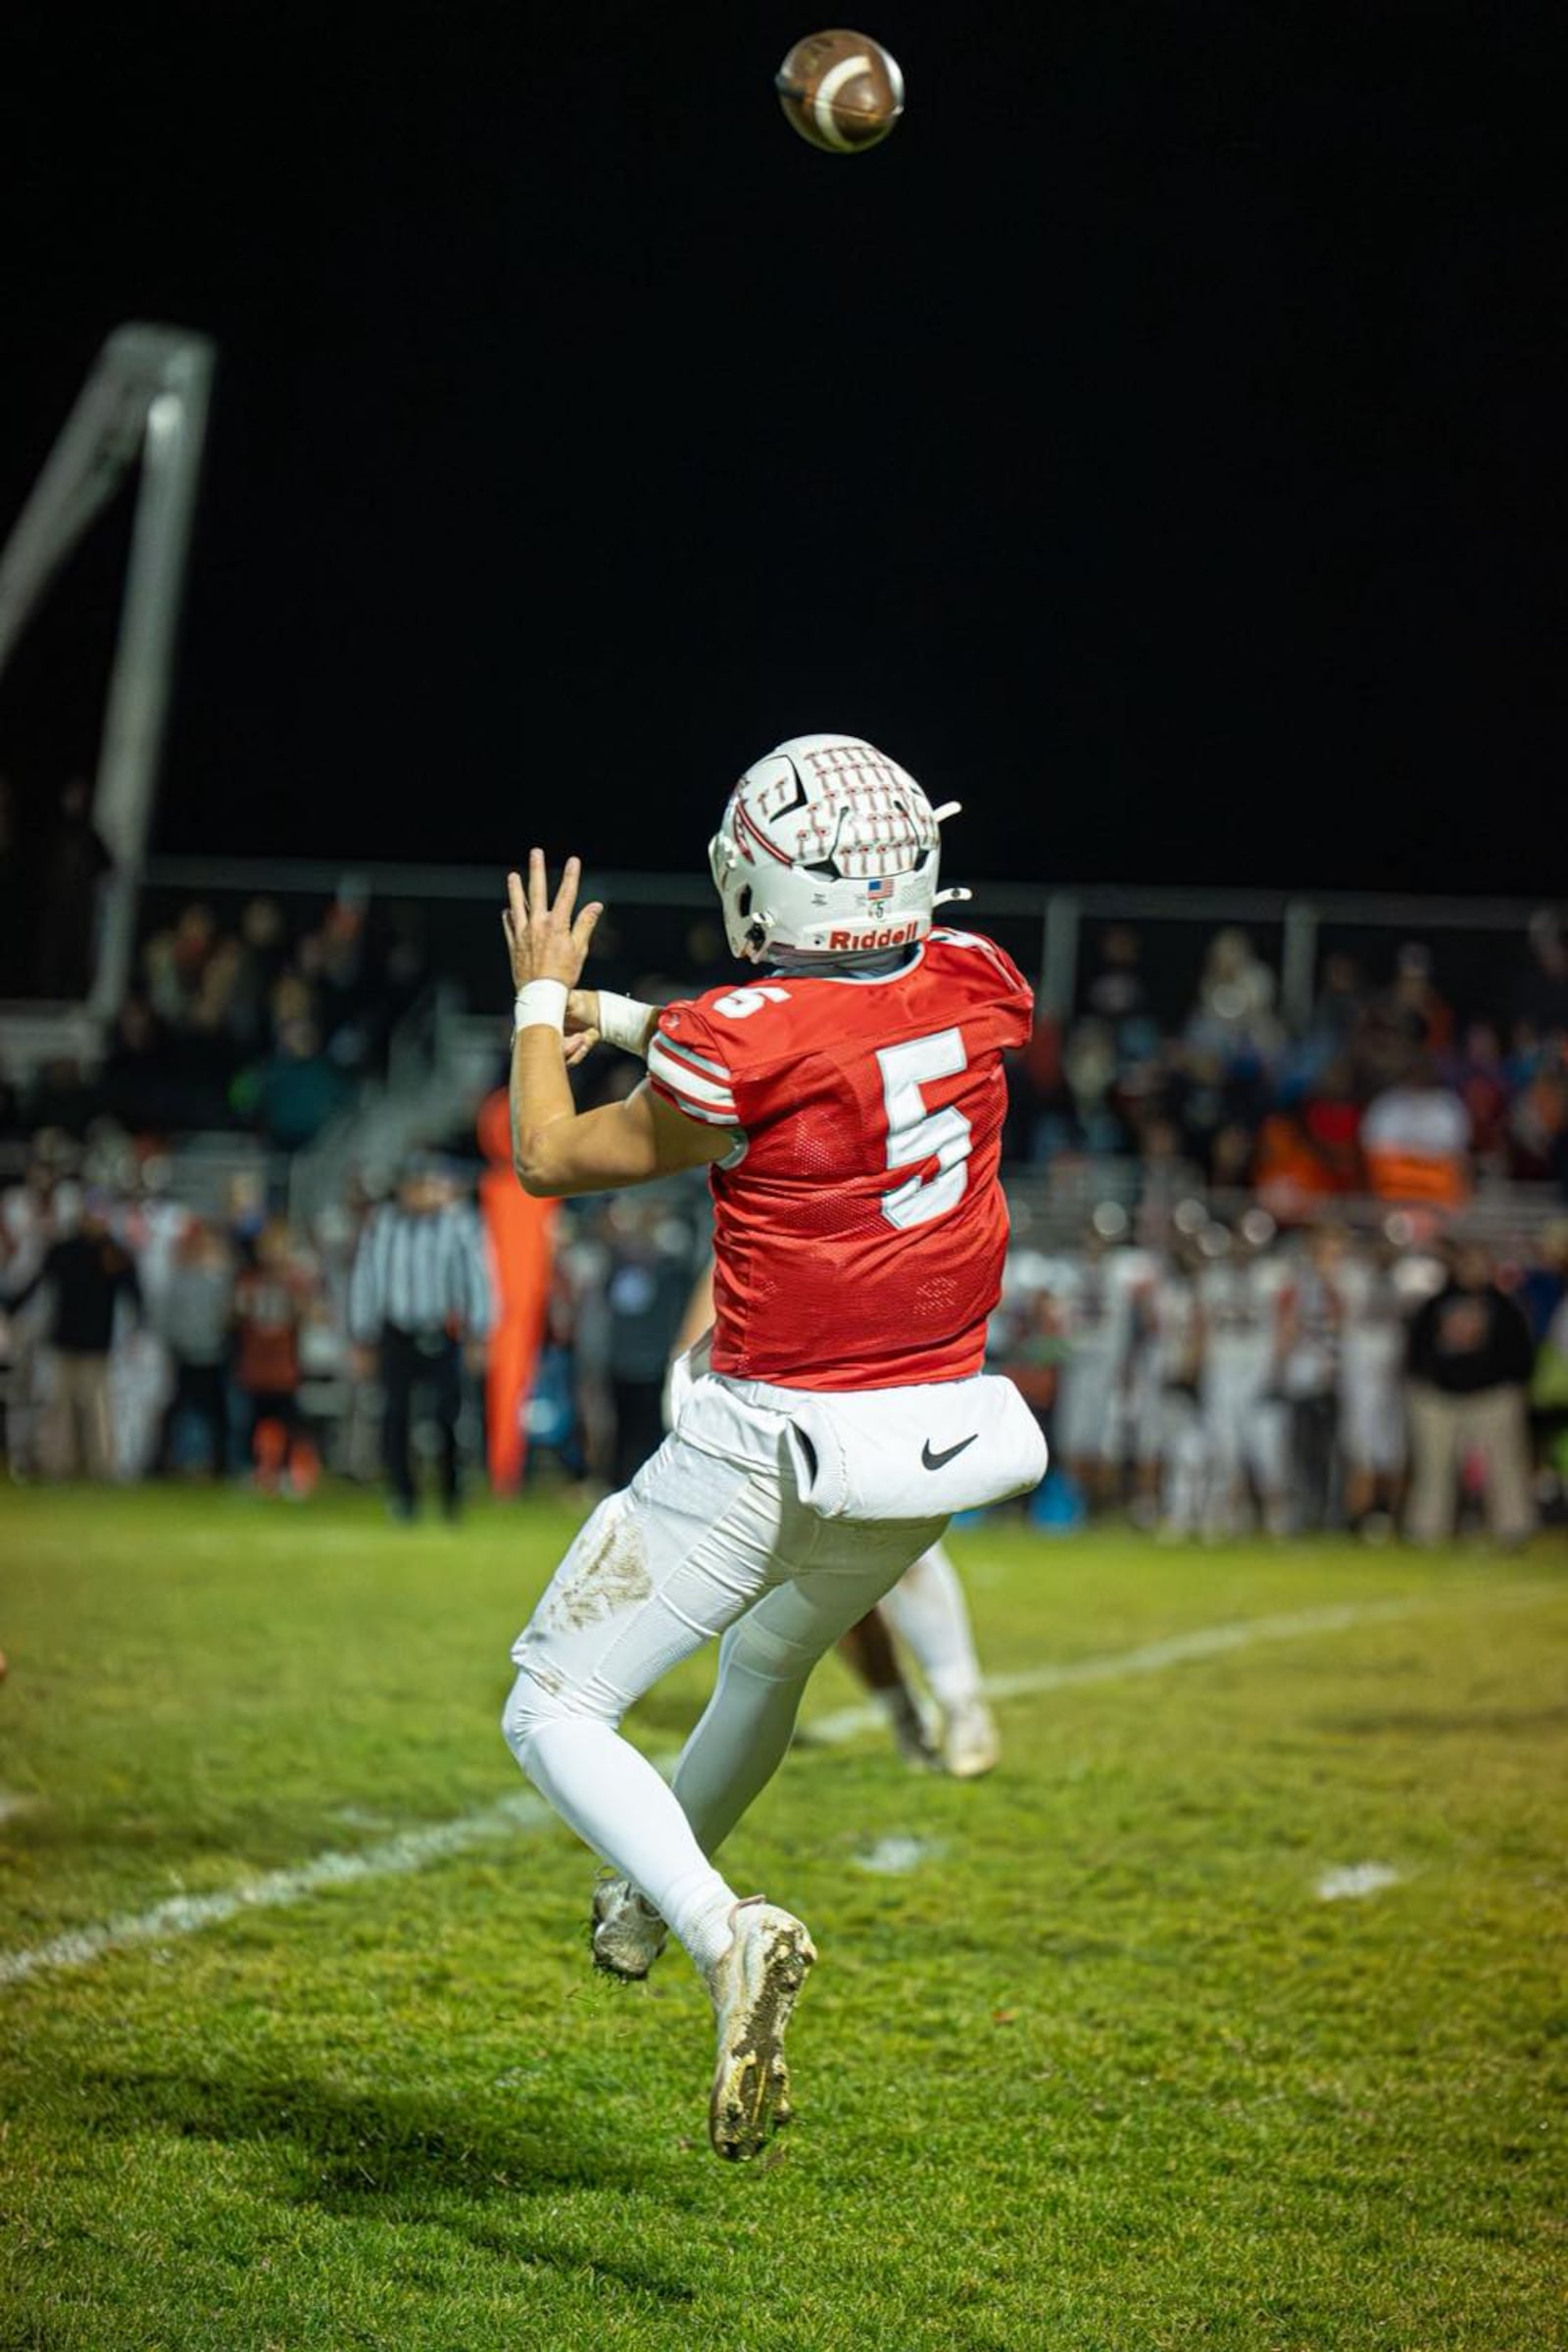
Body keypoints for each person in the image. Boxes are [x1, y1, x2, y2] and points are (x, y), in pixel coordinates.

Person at [497, 735, 1045, 2162]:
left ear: (763, 886)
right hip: (935, 1440)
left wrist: (540, 1000)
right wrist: (616, 1013)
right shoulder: (982, 984)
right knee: (770, 1662)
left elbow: (552, 1158)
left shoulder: (741, 1042)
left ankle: (713, 1925)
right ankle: (640, 1898)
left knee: (552, 1706)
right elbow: (797, 1026)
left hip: (772, 1435)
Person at [349, 1157, 496, 1520]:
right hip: (396, 1332)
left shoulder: (457, 1225)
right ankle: (403, 1496)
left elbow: (477, 1277)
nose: (423, 1194)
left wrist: (479, 1332)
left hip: (441, 1332)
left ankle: (451, 1495)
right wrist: (363, 1334)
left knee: (448, 1416)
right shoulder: (383, 1225)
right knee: (394, 1416)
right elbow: (367, 1280)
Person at [1404, 1243, 1535, 1547]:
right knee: (1433, 1469)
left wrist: (1511, 1386)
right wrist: (1425, 1384)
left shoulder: (1504, 1307)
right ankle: (1427, 1531)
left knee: (1505, 1467)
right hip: (1439, 1397)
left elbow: (1520, 1353)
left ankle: (1512, 1529)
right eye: (1466, 1263)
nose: (1472, 1271)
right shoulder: (1434, 1304)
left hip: (1491, 1396)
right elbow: (1417, 1350)